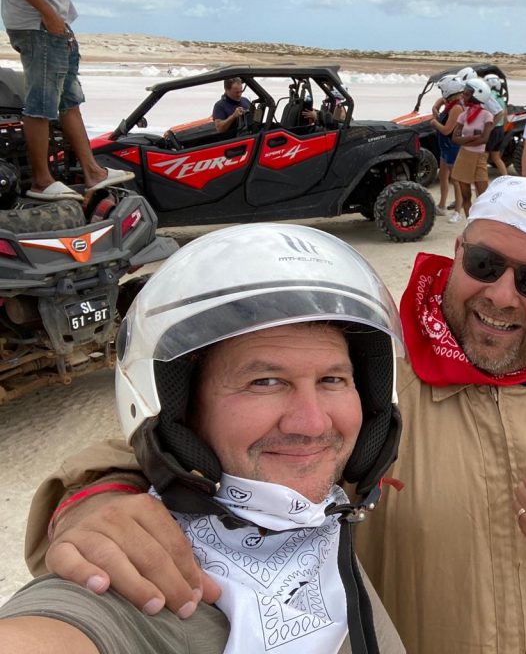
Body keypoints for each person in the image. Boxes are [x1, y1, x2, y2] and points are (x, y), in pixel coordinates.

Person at [22, 177, 526, 654]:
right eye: (484, 264)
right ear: (457, 258)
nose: (500, 294)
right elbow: (169, 436)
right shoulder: (361, 367)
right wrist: (95, 501)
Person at [0, 223, 406, 653]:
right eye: (265, 382)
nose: (311, 423)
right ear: (181, 411)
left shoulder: (322, 513)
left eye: (332, 379)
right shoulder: (134, 580)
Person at [0, 0, 134, 201]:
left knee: (68, 99)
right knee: (42, 102)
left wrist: (61, 18)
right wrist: (47, 12)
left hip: (55, 23)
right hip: (38, 23)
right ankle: (42, 181)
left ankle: (92, 171)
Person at [449, 77, 495, 220]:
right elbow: (454, 138)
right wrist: (471, 139)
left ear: (477, 95)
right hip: (465, 156)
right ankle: (470, 220)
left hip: (479, 157)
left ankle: (482, 221)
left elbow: (485, 139)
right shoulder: (464, 115)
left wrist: (464, 141)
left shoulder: (486, 115)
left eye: (467, 93)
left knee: (483, 195)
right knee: (466, 195)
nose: (463, 96)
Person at [430, 74, 466, 220]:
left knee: (455, 180)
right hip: (445, 147)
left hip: (453, 148)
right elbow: (441, 101)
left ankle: (457, 212)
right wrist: (435, 107)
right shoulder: (450, 102)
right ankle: (442, 205)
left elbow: (447, 130)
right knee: (443, 176)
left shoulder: (456, 107)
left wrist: (434, 123)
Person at [483, 73, 508, 177]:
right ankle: (506, 176)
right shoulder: (501, 98)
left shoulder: (488, 97)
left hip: (492, 129)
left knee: (483, 158)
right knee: (496, 157)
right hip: (500, 129)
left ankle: (481, 179)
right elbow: (505, 116)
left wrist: (489, 128)